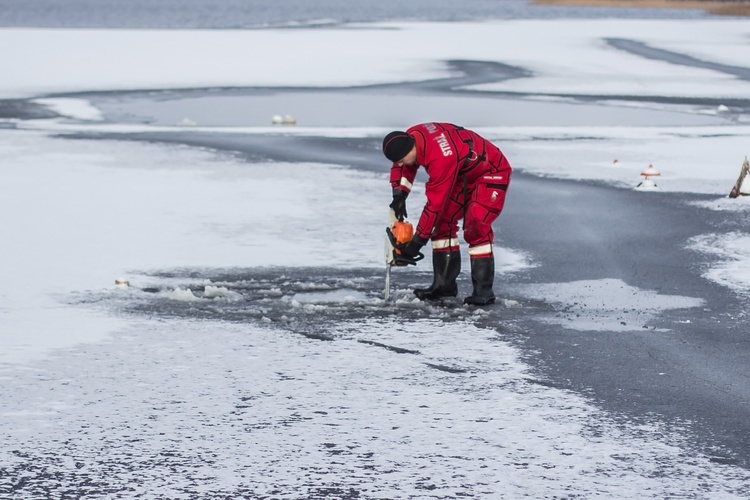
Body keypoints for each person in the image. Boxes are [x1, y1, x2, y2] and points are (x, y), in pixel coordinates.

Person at [383, 122, 512, 305]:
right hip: (462, 173)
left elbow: (435, 205)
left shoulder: (441, 157)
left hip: (491, 171)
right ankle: (444, 288)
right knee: (443, 224)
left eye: (402, 159)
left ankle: (484, 291)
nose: (400, 164)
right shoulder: (411, 136)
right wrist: (399, 194)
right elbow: (404, 166)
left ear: (410, 148)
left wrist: (416, 243)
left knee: (476, 223)